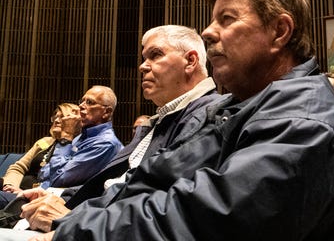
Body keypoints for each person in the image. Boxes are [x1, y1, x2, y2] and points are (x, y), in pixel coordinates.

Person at [37, 0, 334, 241]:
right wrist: (77, 220)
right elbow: (154, 178)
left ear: (279, 31)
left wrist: (76, 230)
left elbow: (209, 217)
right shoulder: (240, 107)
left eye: (227, 19)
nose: (207, 31)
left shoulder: (305, 116)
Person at [2, 25, 221, 236]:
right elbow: (114, 183)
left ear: (190, 61)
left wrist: (73, 219)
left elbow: (158, 202)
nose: (143, 66)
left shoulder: (208, 114)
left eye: (155, 55)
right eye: (144, 58)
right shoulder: (162, 119)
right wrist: (57, 194)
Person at [0, 87, 122, 209]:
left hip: (58, 204)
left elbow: (57, 180)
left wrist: (66, 137)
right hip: (39, 195)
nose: (81, 106)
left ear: (107, 112)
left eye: (90, 102)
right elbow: (44, 173)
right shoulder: (81, 138)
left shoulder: (105, 144)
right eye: (82, 101)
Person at [2, 104, 80, 193]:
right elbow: (18, 167)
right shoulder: (45, 141)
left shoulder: (78, 146)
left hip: (36, 195)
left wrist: (23, 193)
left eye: (62, 117)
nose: (57, 121)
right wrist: (10, 185)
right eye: (55, 117)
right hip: (13, 189)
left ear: (74, 122)